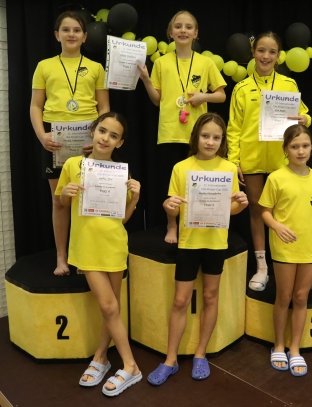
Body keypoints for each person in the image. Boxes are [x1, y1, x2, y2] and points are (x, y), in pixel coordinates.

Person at [147, 113, 248, 385]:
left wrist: (241, 204)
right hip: (189, 242)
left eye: (216, 137)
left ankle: (200, 354)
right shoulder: (181, 167)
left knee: (210, 297)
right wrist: (168, 207)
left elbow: (231, 208)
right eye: (205, 136)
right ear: (195, 137)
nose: (210, 142)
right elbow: (173, 205)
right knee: (180, 301)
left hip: (216, 242)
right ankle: (170, 359)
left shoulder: (229, 168)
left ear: (222, 140)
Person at [227, 31, 312, 295]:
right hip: (251, 159)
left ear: (279, 56)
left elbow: (304, 114)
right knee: (256, 211)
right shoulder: (241, 88)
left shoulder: (288, 84)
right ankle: (262, 267)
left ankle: (306, 267)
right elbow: (234, 128)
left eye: (271, 52)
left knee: (292, 211)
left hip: (282, 159)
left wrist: (306, 119)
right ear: (253, 52)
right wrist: (233, 161)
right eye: (261, 50)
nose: (266, 56)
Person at [55, 112, 142, 395]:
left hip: (114, 245)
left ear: (120, 142)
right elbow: (61, 204)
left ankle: (101, 357)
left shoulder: (122, 173)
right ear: (93, 131)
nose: (105, 138)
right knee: (108, 307)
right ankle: (131, 365)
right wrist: (66, 193)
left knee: (111, 307)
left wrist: (135, 199)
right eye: (102, 131)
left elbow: (122, 218)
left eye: (113, 135)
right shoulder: (73, 164)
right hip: (86, 247)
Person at [30, 11, 109, 276]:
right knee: (60, 201)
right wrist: (42, 136)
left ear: (85, 36)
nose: (71, 34)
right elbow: (35, 106)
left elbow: (104, 108)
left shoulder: (96, 68)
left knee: (89, 199)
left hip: (89, 140)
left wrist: (99, 139)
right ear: (57, 35)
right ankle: (62, 258)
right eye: (66, 30)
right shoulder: (44, 66)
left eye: (76, 30)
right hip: (55, 140)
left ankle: (85, 258)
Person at [259, 124, 312, 376]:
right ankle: (278, 345)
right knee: (284, 296)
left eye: (305, 145)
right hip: (284, 247)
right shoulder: (276, 178)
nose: (300, 151)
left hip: (309, 247)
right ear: (285, 149)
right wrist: (276, 226)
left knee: (301, 297)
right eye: (295, 146)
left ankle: (295, 348)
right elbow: (264, 211)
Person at [138, 10, 227, 243]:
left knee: (197, 183)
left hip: (199, 136)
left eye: (188, 27)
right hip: (170, 133)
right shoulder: (161, 62)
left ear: (196, 33)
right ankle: (172, 226)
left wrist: (203, 97)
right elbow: (157, 100)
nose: (183, 30)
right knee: (172, 186)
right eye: (178, 26)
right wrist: (146, 79)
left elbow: (221, 95)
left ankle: (197, 224)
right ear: (170, 32)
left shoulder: (206, 62)